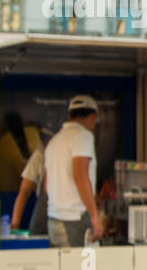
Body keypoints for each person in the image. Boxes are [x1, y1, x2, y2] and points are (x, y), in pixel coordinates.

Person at [44, 95, 104, 247]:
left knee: (62, 269)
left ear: (69, 116)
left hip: (54, 219)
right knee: (85, 268)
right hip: (76, 220)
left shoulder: (54, 141)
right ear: (93, 116)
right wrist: (95, 217)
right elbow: (80, 176)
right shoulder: (83, 136)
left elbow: (46, 186)